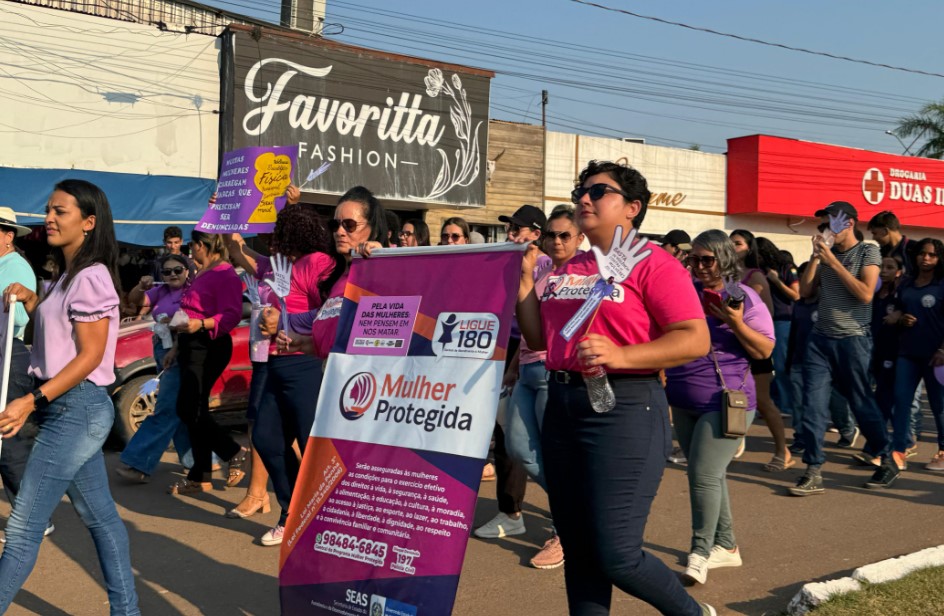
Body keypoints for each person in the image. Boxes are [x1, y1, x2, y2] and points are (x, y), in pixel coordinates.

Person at [517, 160, 714, 615]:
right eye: (580, 191)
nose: (583, 198)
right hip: (563, 405)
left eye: (598, 191)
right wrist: (526, 282)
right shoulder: (570, 266)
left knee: (617, 554)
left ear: (632, 208)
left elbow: (694, 337)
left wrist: (622, 355)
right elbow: (537, 340)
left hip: (625, 408)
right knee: (580, 551)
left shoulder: (654, 263)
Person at [0, 179, 139, 614]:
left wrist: (30, 401)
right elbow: (56, 332)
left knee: (22, 527)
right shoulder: (65, 277)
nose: (49, 218)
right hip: (69, 408)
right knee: (100, 518)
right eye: (48, 210)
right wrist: (30, 299)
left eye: (61, 211)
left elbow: (91, 355)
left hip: (77, 407)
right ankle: (127, 611)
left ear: (89, 221)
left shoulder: (92, 277)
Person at [225, 203, 340, 546]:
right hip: (273, 362)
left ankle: (327, 520)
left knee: (312, 446)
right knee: (266, 438)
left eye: (278, 233)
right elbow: (236, 249)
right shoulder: (275, 266)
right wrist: (225, 213)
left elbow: (333, 308)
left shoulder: (318, 262)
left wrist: (287, 322)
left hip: (303, 363)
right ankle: (293, 511)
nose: (271, 240)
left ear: (293, 233)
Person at [666, 230, 774, 586]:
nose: (698, 266)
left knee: (703, 475)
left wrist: (736, 322)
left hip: (727, 402)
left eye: (706, 259)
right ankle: (726, 547)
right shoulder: (685, 292)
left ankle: (700, 552)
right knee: (710, 475)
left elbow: (764, 352)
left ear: (725, 259)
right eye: (693, 259)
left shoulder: (743, 297)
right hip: (683, 400)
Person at [793, 201, 896, 495]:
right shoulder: (824, 254)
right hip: (819, 340)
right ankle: (813, 469)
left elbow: (865, 294)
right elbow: (805, 292)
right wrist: (816, 257)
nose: (824, 230)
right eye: (822, 225)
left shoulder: (868, 251)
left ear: (847, 223)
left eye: (829, 224)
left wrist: (834, 263)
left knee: (861, 403)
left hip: (853, 340)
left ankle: (886, 458)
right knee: (812, 406)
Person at [502, 206, 583, 569]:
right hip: (528, 369)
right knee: (518, 447)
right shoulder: (541, 270)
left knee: (556, 456)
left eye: (565, 234)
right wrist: (515, 366)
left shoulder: (583, 274)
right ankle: (578, 510)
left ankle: (566, 531)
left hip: (556, 373)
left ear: (580, 238)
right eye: (552, 234)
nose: (556, 241)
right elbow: (529, 319)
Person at [474, 204, 544, 541]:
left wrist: (516, 363)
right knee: (507, 438)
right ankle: (511, 511)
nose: (511, 235)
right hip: (499, 349)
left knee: (528, 441)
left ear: (536, 234)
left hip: (532, 356)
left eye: (518, 229)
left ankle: (562, 519)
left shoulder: (544, 267)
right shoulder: (505, 260)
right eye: (509, 229)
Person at [167, 230, 246, 495]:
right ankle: (200, 475)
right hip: (191, 342)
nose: (191, 251)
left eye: (193, 246)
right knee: (194, 409)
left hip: (209, 343)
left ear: (202, 245)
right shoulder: (202, 270)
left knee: (188, 408)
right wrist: (176, 347)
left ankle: (231, 450)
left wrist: (200, 324)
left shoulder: (224, 273)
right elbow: (189, 310)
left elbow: (232, 315)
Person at [116, 254, 196, 482]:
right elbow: (134, 300)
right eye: (167, 271)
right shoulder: (161, 290)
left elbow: (189, 322)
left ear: (187, 270)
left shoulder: (191, 292)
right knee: (179, 408)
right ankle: (202, 462)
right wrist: (141, 287)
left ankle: (137, 463)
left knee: (166, 408)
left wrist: (173, 340)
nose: (172, 275)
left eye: (177, 270)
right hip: (162, 347)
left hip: (179, 351)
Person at [0, 208, 54, 539]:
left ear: (7, 235)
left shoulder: (16, 267)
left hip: (8, 355)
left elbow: (19, 320)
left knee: (10, 443)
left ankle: (34, 517)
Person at [729, 230, 791, 471]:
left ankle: (782, 451)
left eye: (738, 243)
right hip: (731, 348)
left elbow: (768, 314)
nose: (733, 247)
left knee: (763, 401)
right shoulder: (726, 275)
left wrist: (739, 323)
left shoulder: (756, 276)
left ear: (749, 248)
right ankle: (733, 443)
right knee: (731, 398)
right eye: (730, 243)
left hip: (754, 347)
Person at [887, 239, 944, 472]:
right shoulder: (907, 283)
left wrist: (943, 349)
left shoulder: (942, 284)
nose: (926, 258)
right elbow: (897, 308)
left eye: (932, 255)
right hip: (907, 353)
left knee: (939, 405)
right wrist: (900, 318)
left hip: (936, 356)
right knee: (901, 400)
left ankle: (942, 450)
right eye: (922, 253)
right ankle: (899, 449)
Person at [757, 237, 799, 420]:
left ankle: (787, 405)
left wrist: (776, 281)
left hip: (783, 321)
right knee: (766, 366)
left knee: (781, 365)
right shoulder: (757, 270)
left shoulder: (785, 267)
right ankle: (771, 401)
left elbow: (796, 295)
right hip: (765, 321)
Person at [867, 210, 914, 278]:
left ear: (885, 231)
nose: (873, 238)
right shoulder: (881, 252)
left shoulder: (913, 249)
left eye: (875, 233)